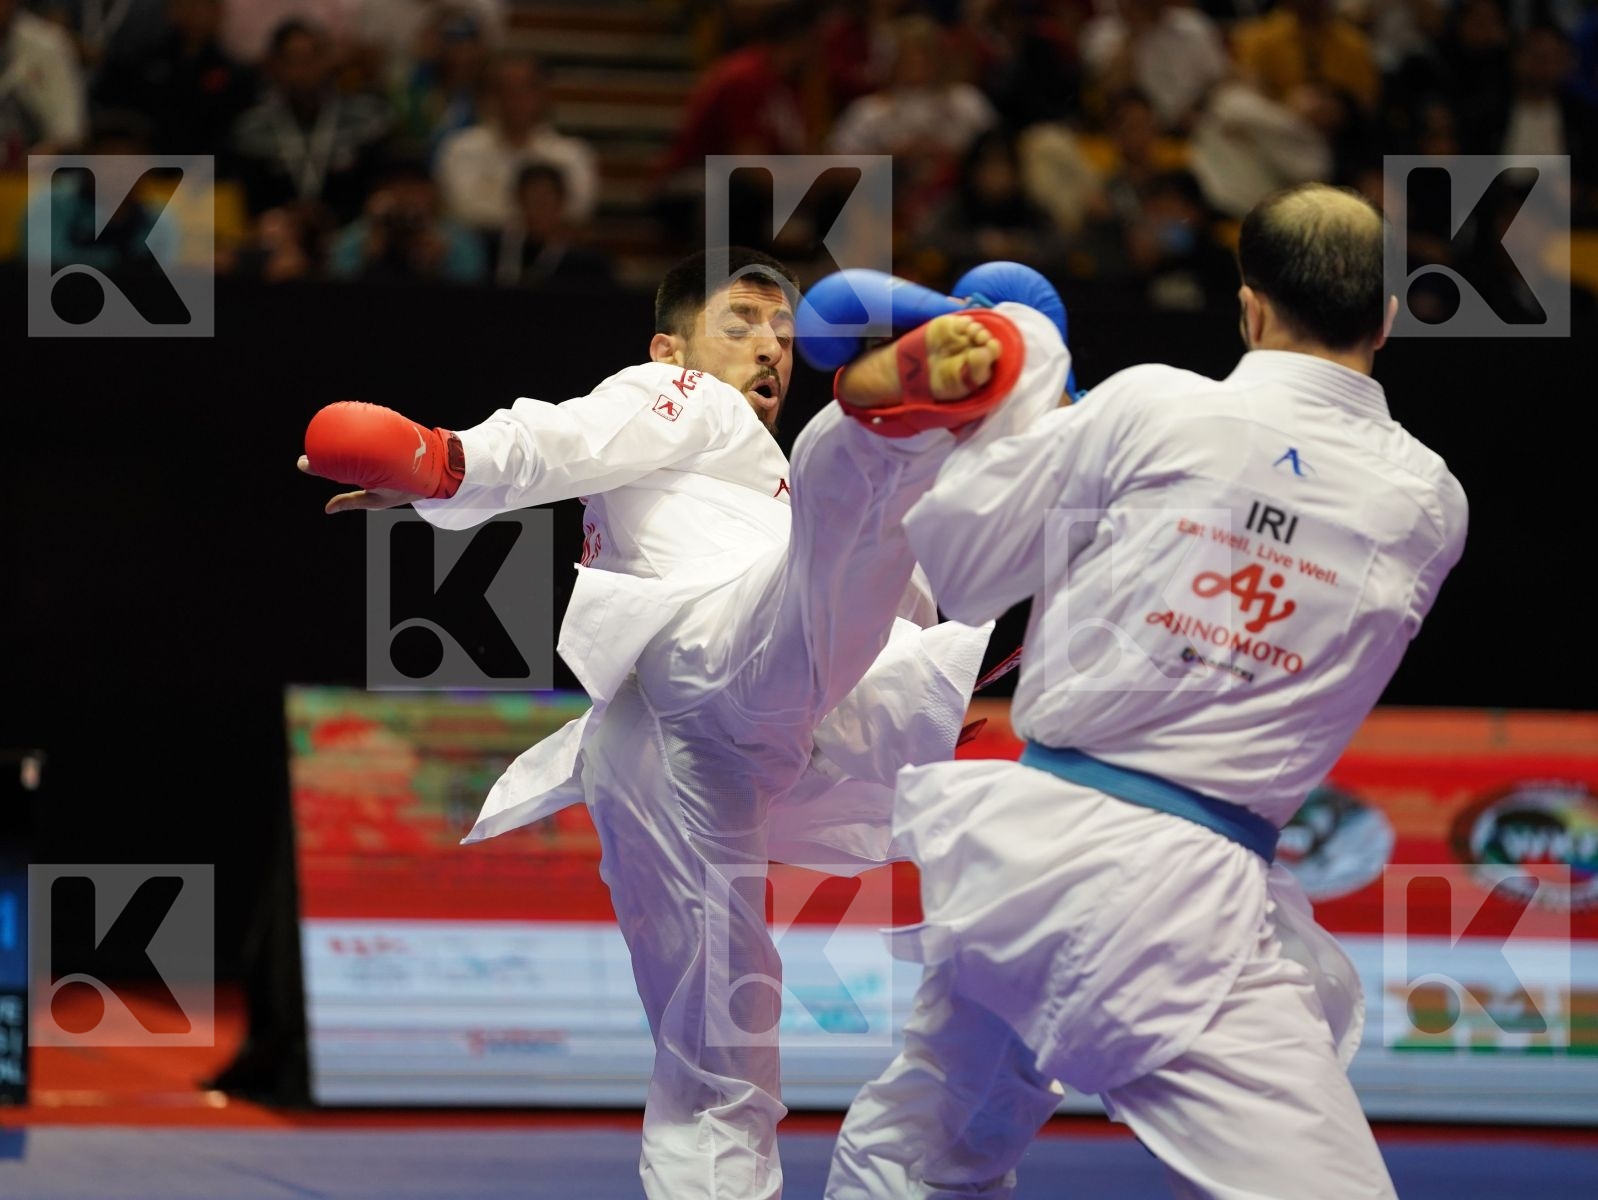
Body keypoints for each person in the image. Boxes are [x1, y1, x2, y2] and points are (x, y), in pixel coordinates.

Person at [297, 249, 1070, 1199]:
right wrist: (445, 460)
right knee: (853, 520)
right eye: (741, 323)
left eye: (784, 333)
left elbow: (884, 618)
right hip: (701, 657)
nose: (771, 347)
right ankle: (925, 427)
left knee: (718, 1065)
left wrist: (935, 696)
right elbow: (565, 437)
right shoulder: (684, 397)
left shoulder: (784, 492)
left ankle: (977, 459)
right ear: (671, 346)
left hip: (711, 754)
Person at [826, 184, 1468, 1199]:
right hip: (1176, 901)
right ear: (1385, 318)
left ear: (1248, 307)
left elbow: (964, 572)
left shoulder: (1150, 407)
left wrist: (1025, 397)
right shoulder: (1428, 502)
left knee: (919, 1149)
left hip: (1027, 853)